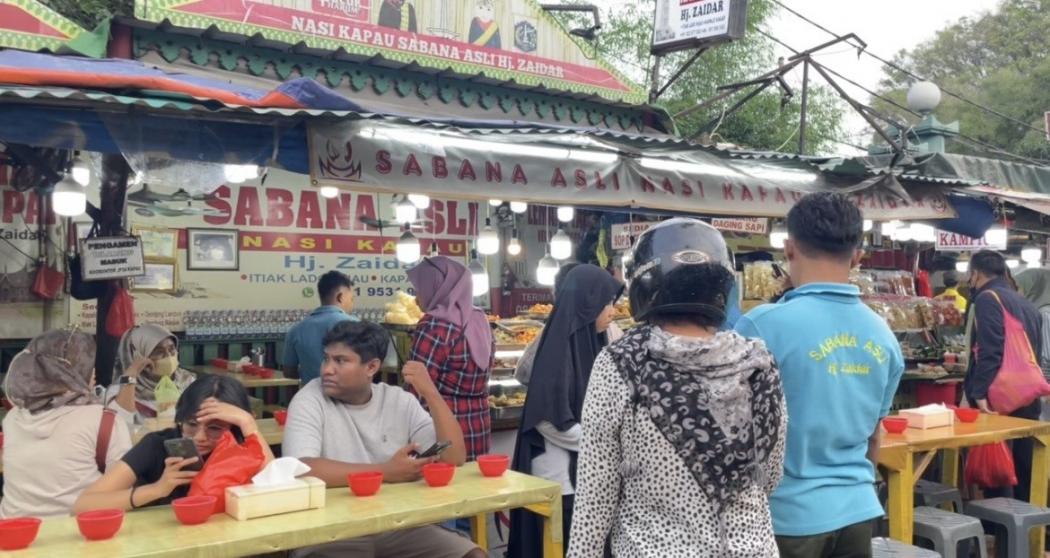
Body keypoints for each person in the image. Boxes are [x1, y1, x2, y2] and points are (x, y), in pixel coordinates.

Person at [566, 220, 785, 558]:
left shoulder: (622, 362)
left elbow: (595, 500)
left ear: (643, 282)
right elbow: (769, 477)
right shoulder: (758, 362)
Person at [735, 193, 904, 558]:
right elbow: (874, 438)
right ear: (858, 256)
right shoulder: (885, 337)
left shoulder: (760, 326)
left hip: (786, 519)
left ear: (788, 248)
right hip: (858, 511)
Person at [282, 321, 484, 558]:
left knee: (473, 555)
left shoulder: (399, 401)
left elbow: (454, 456)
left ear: (372, 367)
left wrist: (430, 392)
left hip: (399, 526)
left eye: (341, 361)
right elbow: (301, 470)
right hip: (331, 532)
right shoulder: (309, 399)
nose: (327, 369)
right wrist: (386, 471)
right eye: (326, 359)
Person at [509, 264, 623, 557]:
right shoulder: (558, 350)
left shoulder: (593, 344)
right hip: (560, 480)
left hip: (584, 473)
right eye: (606, 303)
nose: (612, 311)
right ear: (587, 305)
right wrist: (608, 442)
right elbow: (549, 419)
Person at [75, 375, 274, 512]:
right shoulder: (157, 445)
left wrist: (249, 424)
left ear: (235, 427)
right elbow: (83, 505)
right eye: (191, 424)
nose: (199, 437)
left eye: (214, 428)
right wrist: (157, 489)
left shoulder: (243, 447)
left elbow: (281, 489)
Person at [1, 329, 133, 518]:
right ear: (66, 372)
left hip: (14, 535)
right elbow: (123, 490)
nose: (93, 373)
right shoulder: (104, 421)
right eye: (86, 365)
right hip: (79, 536)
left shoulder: (13, 417)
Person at [965, 250, 1044, 501]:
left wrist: (978, 394)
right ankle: (1023, 531)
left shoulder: (988, 298)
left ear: (975, 274)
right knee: (1022, 465)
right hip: (1027, 394)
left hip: (1000, 398)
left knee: (997, 470)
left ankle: (997, 529)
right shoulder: (1026, 303)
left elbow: (990, 350)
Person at [406, 256, 494, 461]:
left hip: (443, 429)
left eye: (420, 289)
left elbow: (417, 389)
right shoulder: (480, 319)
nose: (417, 297)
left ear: (436, 288)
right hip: (479, 425)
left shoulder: (434, 326)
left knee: (443, 489)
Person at [515, 263, 624, 386]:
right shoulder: (555, 337)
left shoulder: (613, 334)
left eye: (611, 302)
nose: (612, 312)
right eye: (606, 303)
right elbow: (524, 372)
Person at [108, 324, 197, 426]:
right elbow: (119, 423)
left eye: (172, 349)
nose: (168, 355)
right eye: (158, 351)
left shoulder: (187, 381)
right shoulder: (119, 390)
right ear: (139, 355)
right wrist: (132, 372)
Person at [283, 270, 359, 385]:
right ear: (340, 297)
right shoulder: (355, 325)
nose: (352, 304)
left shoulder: (296, 330)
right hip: (347, 396)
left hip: (311, 398)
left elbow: (288, 372)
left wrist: (310, 373)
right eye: (352, 299)